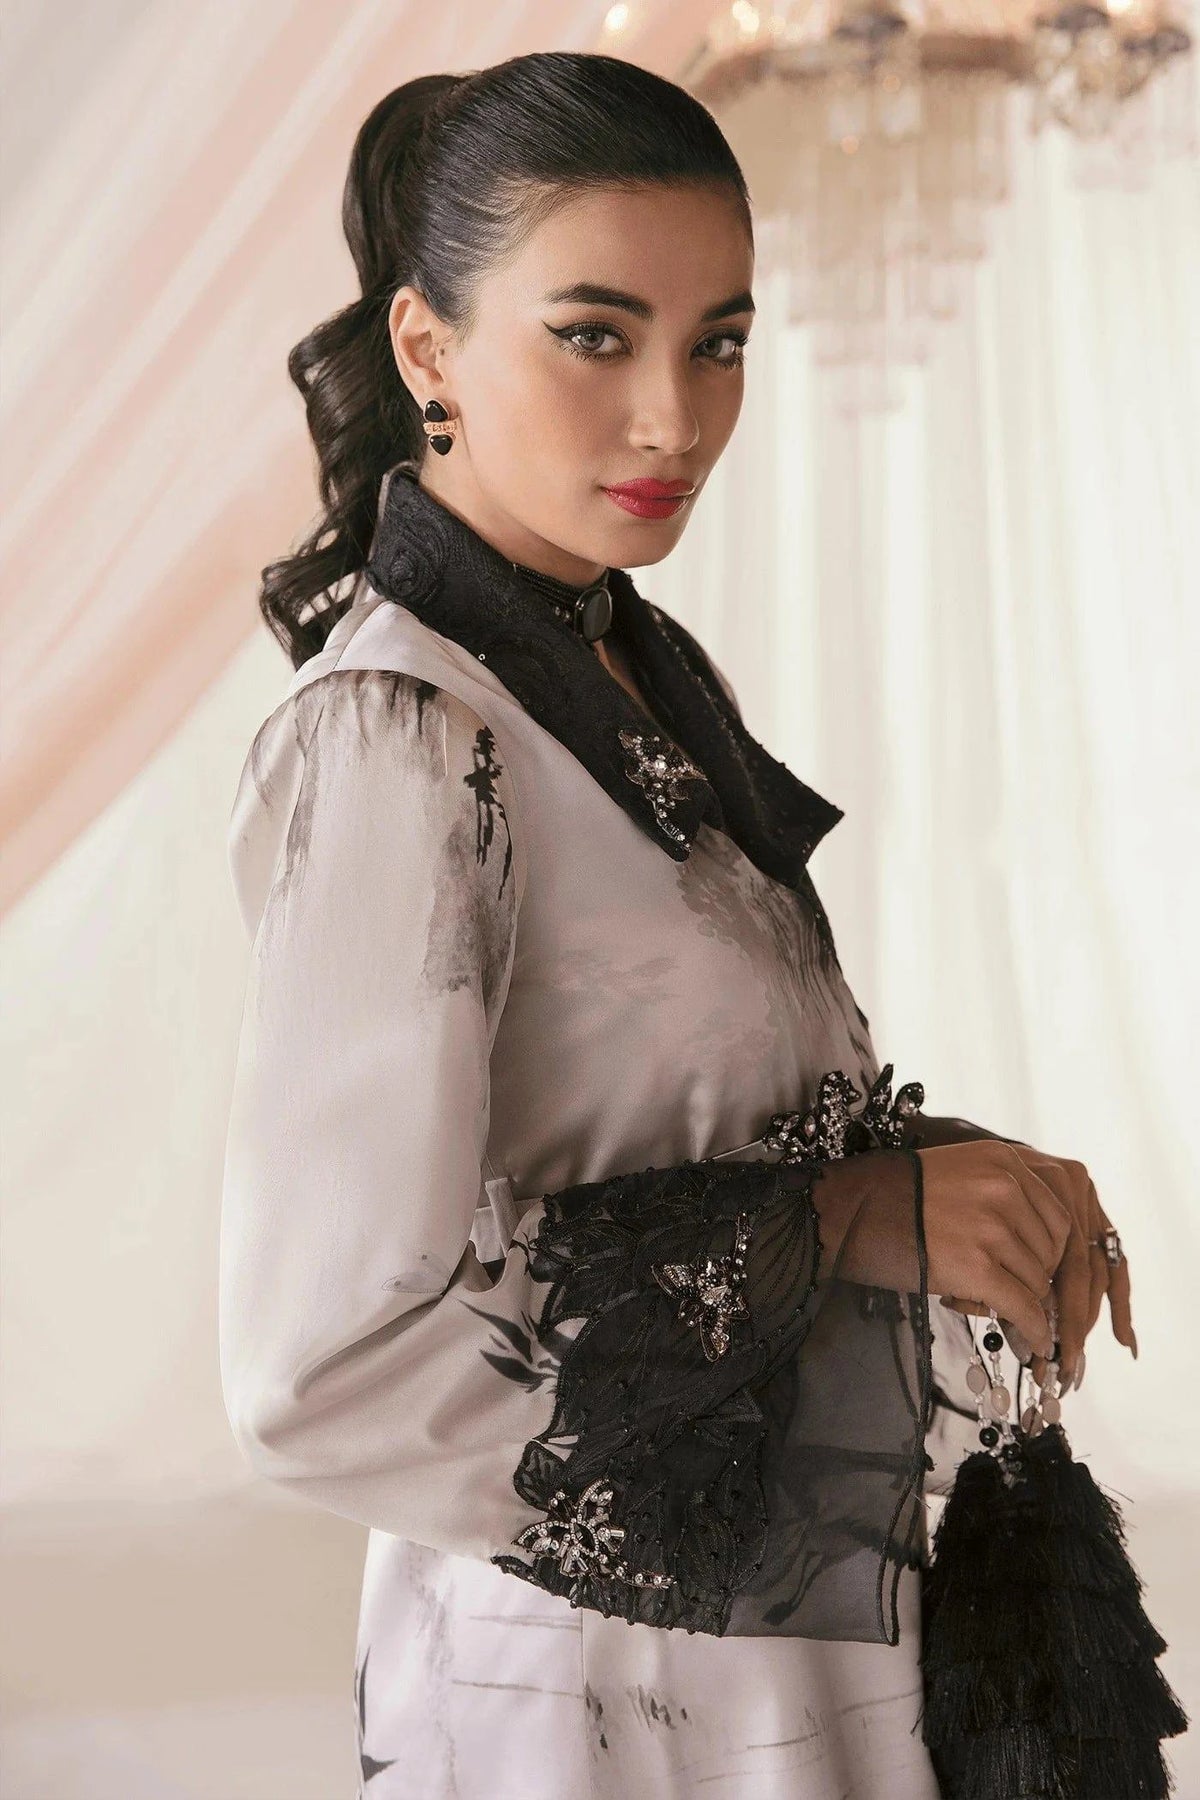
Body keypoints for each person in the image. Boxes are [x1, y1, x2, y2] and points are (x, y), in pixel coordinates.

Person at [218, 51, 1136, 1800]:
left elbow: (675, 1125)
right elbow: (324, 1370)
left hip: (770, 1648)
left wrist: (945, 1184)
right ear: (426, 349)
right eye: (596, 335)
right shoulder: (405, 735)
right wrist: (840, 1222)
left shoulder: (627, 664)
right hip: (585, 1685)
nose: (674, 419)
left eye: (719, 342)